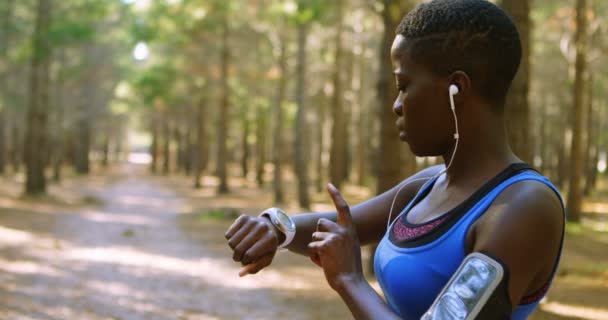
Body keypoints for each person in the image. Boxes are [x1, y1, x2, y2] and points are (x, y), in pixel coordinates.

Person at [225, 0, 565, 319]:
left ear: (456, 89)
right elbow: (341, 227)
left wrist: (350, 280)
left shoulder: (524, 207)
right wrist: (274, 227)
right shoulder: (427, 184)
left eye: (404, 85)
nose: (397, 105)